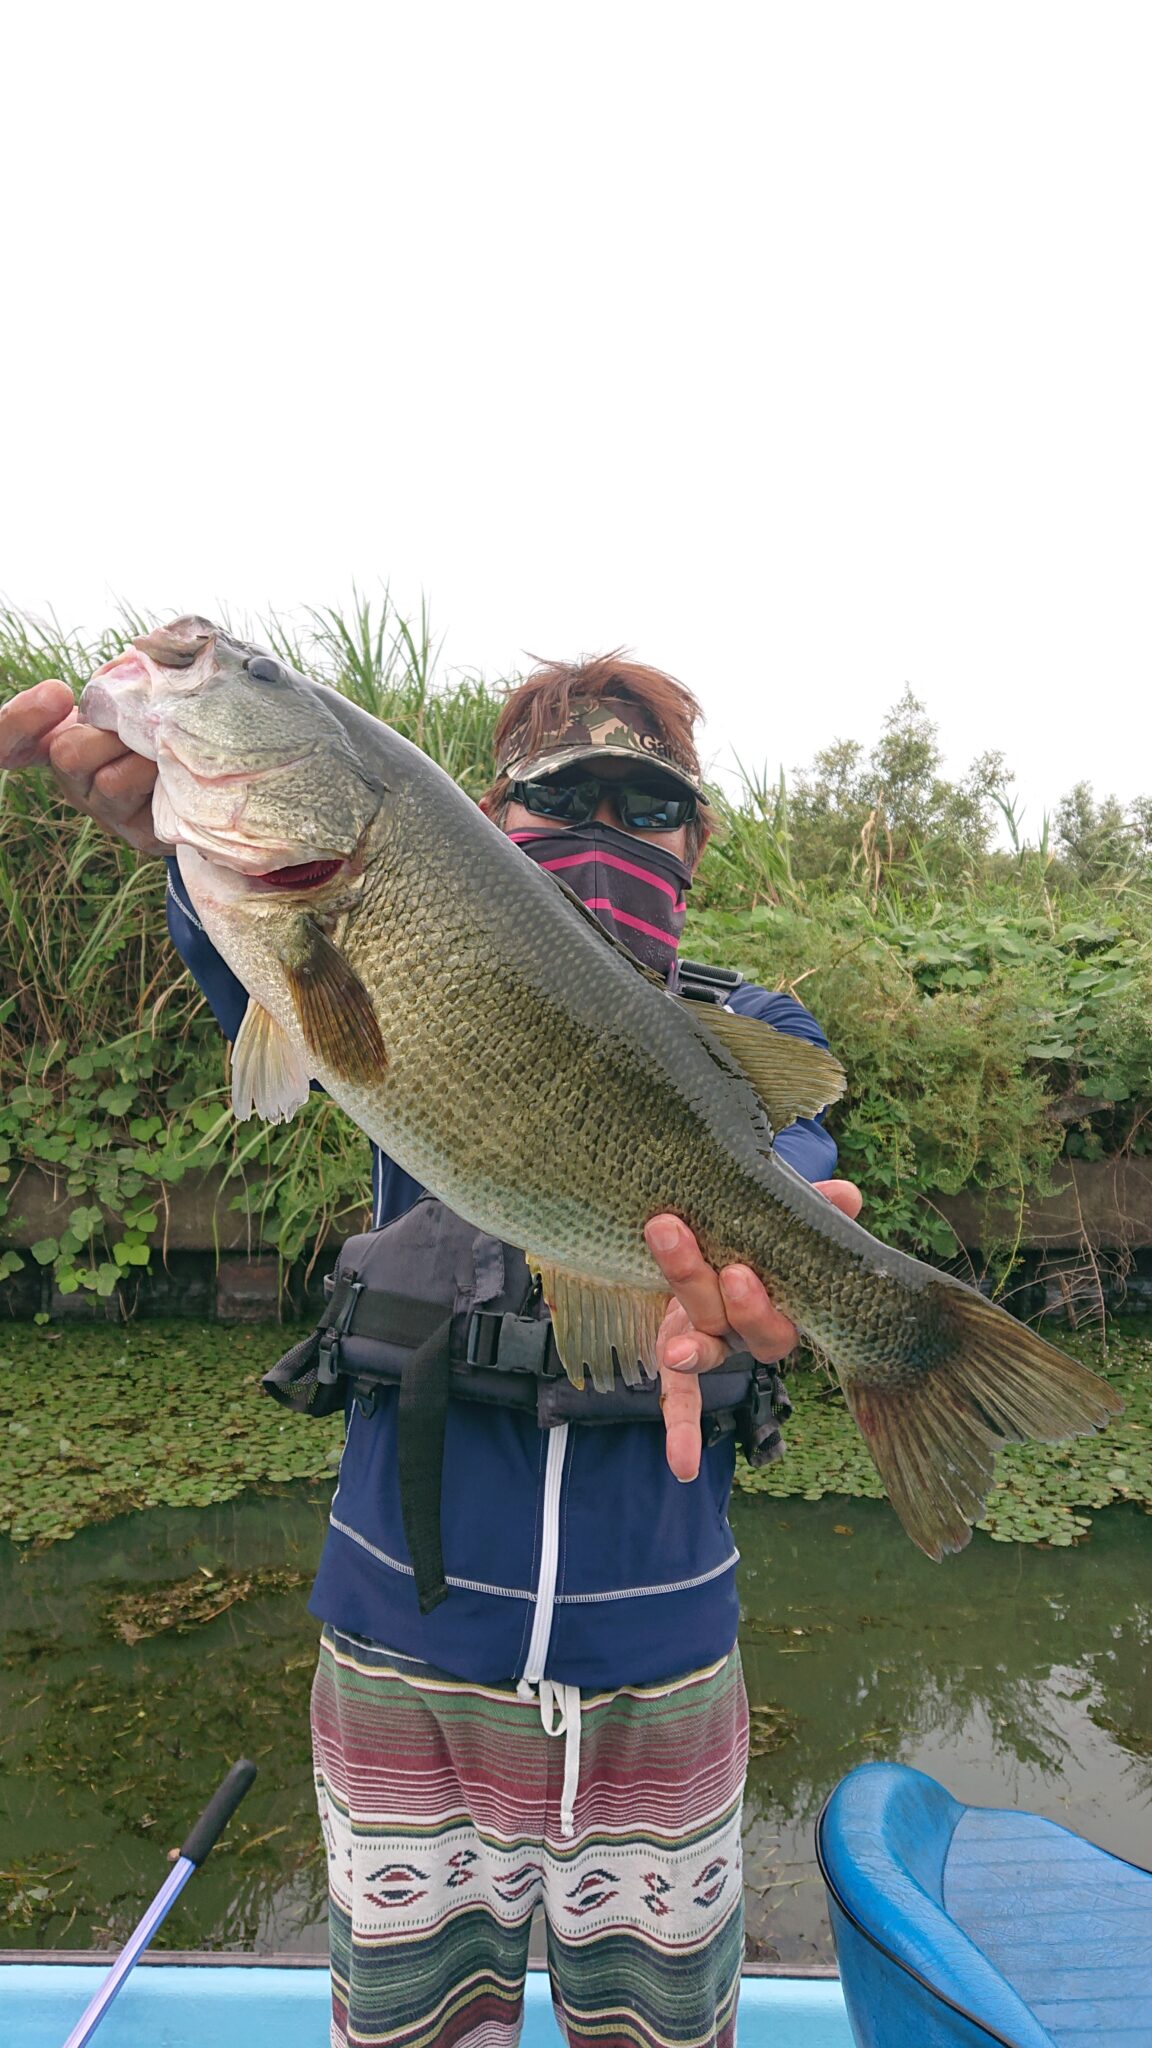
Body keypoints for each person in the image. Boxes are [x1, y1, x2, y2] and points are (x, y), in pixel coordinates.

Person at [0, 653, 860, 2048]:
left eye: (647, 803)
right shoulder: (377, 936)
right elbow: (266, 943)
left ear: (697, 840)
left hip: (662, 1668)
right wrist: (186, 840)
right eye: (560, 796)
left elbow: (796, 1165)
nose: (605, 828)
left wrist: (768, 1267)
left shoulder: (747, 1029)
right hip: (403, 1656)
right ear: (485, 817)